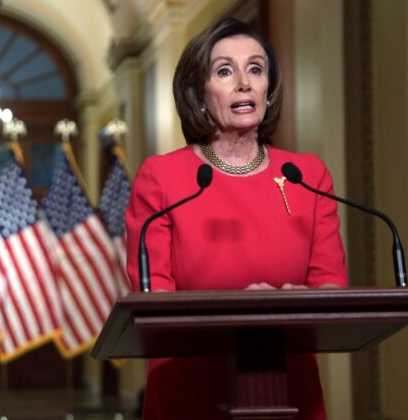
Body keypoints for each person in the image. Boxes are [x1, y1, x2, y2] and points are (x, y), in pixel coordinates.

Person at [125, 17, 347, 420]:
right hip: (190, 392)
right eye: (225, 71)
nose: (244, 82)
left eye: (256, 69)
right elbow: (152, 301)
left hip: (288, 387)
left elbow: (331, 286)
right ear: (198, 93)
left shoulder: (308, 176)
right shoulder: (161, 177)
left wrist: (295, 304)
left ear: (268, 88)